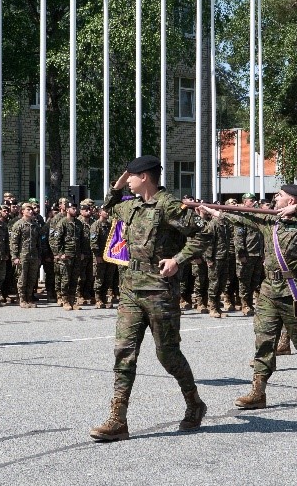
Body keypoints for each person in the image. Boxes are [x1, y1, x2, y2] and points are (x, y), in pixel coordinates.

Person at [89, 156, 208, 443]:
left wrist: (178, 259)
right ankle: (118, 419)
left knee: (167, 355)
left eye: (130, 175)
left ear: (144, 177)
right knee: (123, 352)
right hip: (130, 288)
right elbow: (107, 207)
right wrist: (117, 184)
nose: (126, 179)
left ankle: (194, 403)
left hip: (159, 290)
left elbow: (203, 233)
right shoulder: (132, 204)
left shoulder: (168, 205)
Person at [200, 184, 297, 408]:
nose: (275, 199)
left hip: (293, 290)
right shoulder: (271, 221)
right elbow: (242, 219)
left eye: (279, 196)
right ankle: (258, 392)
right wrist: (217, 213)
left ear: (291, 202)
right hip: (269, 289)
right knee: (264, 340)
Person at [49, 200, 89, 310]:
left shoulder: (78, 223)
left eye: (76, 209)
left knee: (74, 279)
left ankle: (72, 301)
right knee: (65, 279)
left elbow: (82, 240)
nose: (75, 211)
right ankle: (65, 300)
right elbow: (57, 239)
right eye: (73, 209)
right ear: (67, 210)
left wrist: (82, 253)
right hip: (66, 255)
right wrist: (60, 254)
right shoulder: (62, 223)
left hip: (76, 255)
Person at [9, 202, 41, 307]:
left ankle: (29, 298)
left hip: (34, 255)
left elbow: (38, 242)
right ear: (22, 211)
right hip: (22, 255)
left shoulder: (35, 225)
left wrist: (39, 256)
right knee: (22, 278)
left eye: (31, 209)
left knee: (32, 279)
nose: (31, 211)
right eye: (28, 209)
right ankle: (22, 299)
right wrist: (15, 257)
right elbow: (14, 242)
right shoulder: (18, 224)